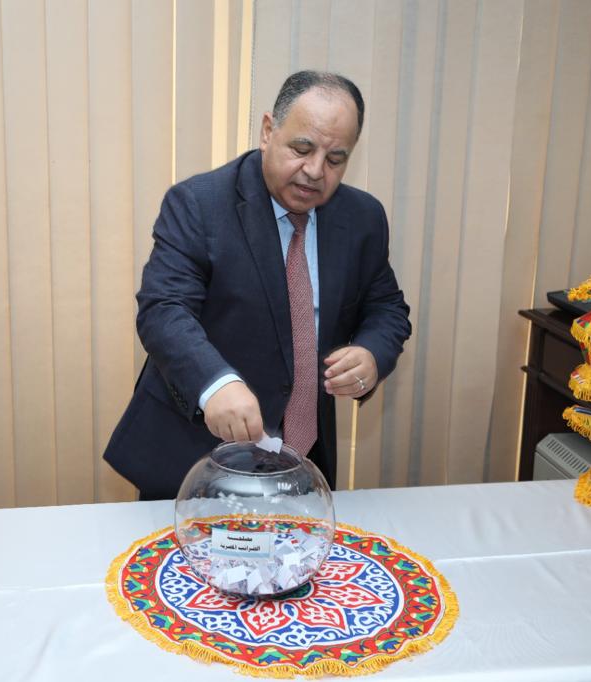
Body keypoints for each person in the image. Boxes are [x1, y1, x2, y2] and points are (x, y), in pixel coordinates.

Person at [103, 71, 412, 500]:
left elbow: (387, 307)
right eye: (301, 149)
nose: (314, 171)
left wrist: (372, 353)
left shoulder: (363, 218)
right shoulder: (199, 204)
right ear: (268, 131)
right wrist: (216, 385)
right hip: (192, 458)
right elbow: (164, 309)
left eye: (335, 159)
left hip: (301, 464)